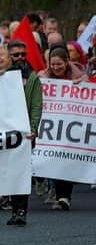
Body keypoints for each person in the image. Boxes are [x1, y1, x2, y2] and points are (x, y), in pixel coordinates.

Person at [0, 39, 42, 225]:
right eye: (16, 55)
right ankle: (14, 208)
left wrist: (33, 129)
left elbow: (36, 105)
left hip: (24, 134)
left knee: (21, 172)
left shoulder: (32, 78)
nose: (20, 58)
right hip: (6, 132)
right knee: (10, 172)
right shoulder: (1, 77)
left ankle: (21, 210)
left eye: (23, 54)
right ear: (9, 56)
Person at [38, 43, 87, 210]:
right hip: (52, 126)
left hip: (73, 124)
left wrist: (84, 84)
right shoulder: (43, 77)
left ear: (66, 62)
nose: (56, 67)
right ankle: (57, 193)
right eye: (53, 64)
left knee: (68, 158)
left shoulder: (79, 76)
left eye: (59, 64)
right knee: (55, 158)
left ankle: (64, 196)